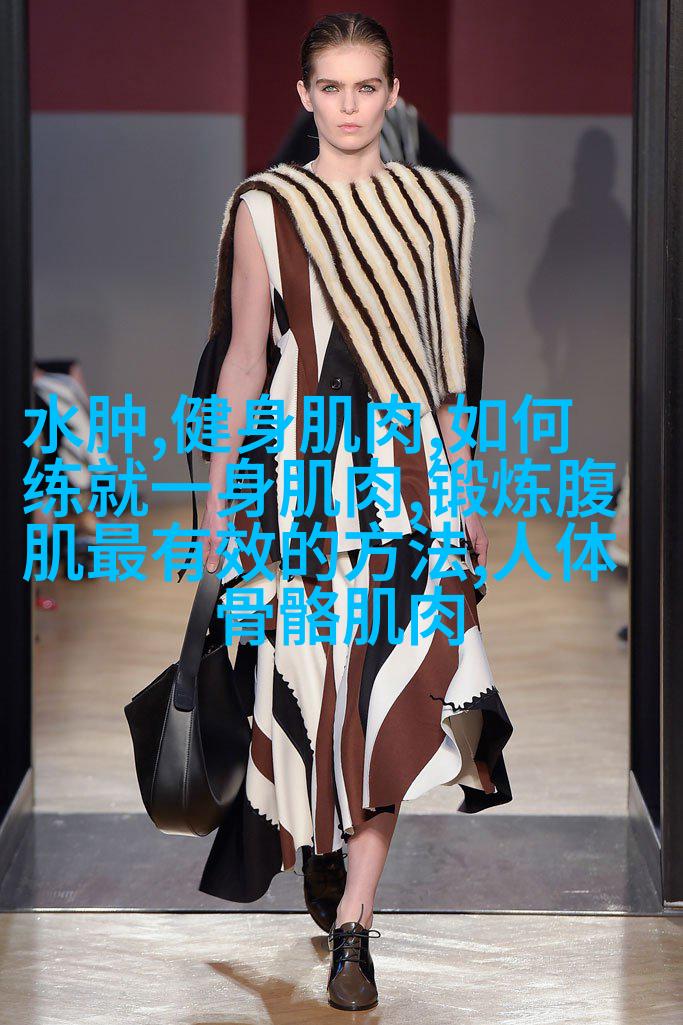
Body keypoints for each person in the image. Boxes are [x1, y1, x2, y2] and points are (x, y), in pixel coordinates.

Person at [192, 13, 514, 1012]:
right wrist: (218, 501)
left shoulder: (428, 213)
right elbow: (244, 357)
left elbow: (445, 370)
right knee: (303, 687)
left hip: (402, 479)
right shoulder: (264, 209)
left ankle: (355, 928)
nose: (347, 106)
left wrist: (461, 489)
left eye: (364, 86)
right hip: (294, 481)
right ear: (303, 96)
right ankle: (320, 846)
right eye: (329, 87)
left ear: (391, 93)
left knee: (388, 695)